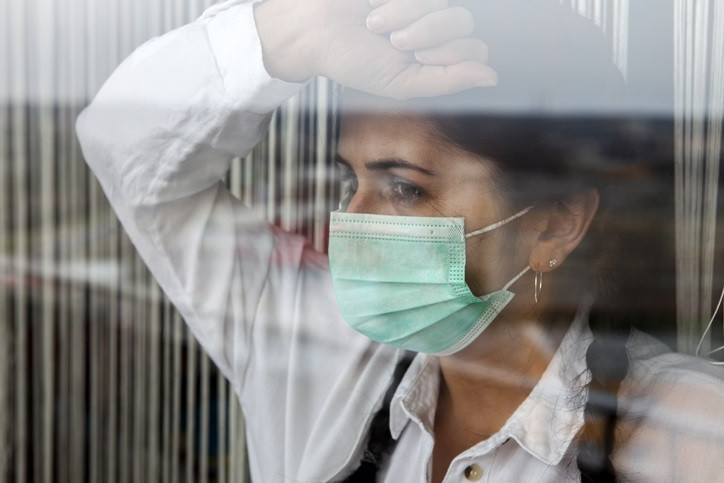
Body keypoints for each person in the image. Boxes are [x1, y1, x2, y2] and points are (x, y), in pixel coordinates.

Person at [76, 0, 724, 481]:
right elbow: (120, 142)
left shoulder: (689, 434)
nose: (348, 222)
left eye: (405, 189)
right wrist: (293, 32)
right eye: (349, 180)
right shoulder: (311, 349)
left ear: (554, 223)